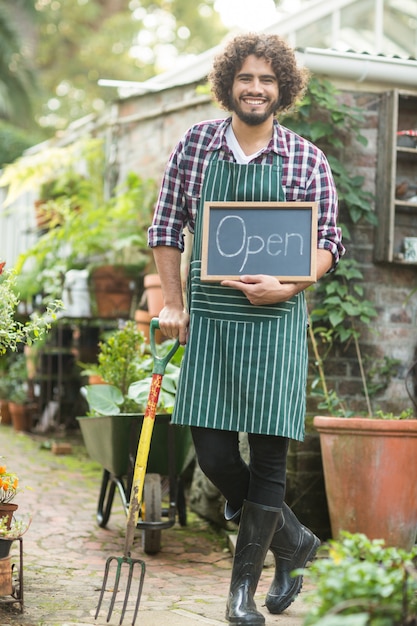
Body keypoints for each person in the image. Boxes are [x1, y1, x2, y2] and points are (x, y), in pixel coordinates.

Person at [148, 32, 345, 626]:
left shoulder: (306, 158)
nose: (255, 88)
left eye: (267, 79)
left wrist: (288, 285)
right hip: (211, 320)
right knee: (212, 454)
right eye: (246, 78)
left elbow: (328, 244)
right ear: (228, 83)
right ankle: (293, 540)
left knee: (267, 461)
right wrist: (175, 304)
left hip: (276, 322)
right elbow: (165, 228)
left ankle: (241, 595)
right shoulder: (198, 144)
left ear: (281, 88)